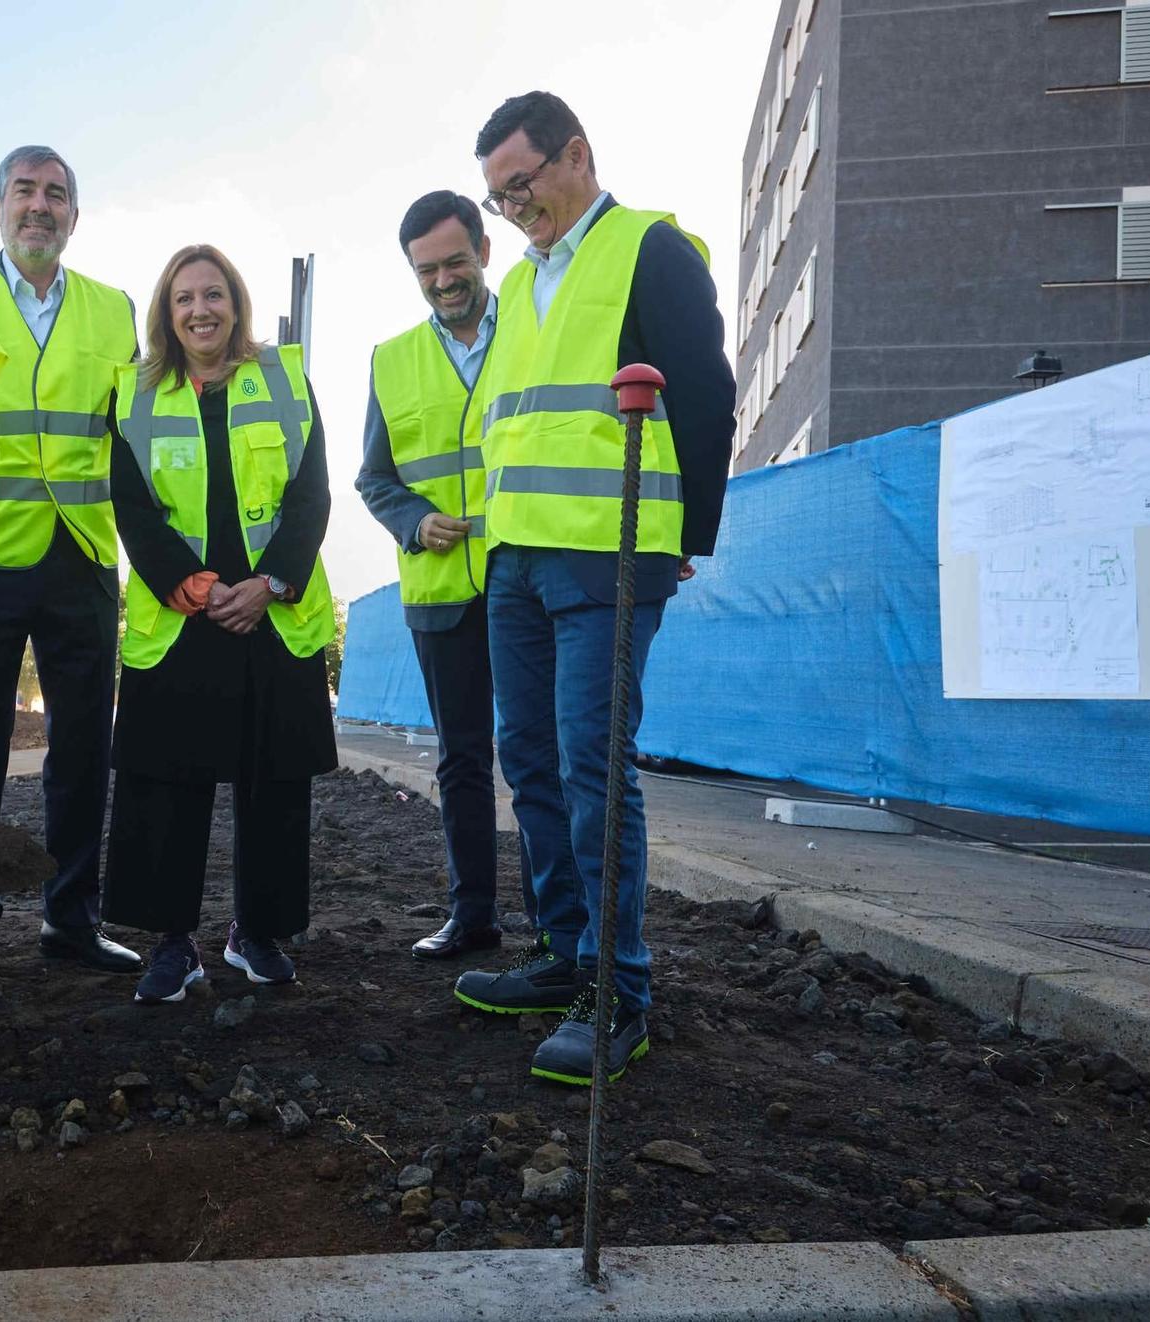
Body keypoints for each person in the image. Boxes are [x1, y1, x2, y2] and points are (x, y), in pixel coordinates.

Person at [455, 92, 733, 1084]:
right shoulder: (524, 284)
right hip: (518, 560)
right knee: (526, 756)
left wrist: (686, 534)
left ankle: (617, 991)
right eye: (496, 199)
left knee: (590, 765)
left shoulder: (647, 251)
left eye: (519, 186)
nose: (512, 210)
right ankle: (564, 952)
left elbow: (702, 392)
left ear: (575, 153)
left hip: (605, 557)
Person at [0, 147, 143, 985]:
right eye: (25, 191)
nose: (40, 207)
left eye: (56, 195)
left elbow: (131, 435)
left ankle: (72, 916)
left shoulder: (115, 309)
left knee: (85, 747)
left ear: (75, 217)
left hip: (82, 553)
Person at [103, 245, 336, 1004]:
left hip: (271, 610)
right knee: (166, 785)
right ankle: (174, 944)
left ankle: (255, 934)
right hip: (183, 617)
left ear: (235, 302)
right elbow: (132, 507)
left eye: (213, 295)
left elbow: (312, 494)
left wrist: (268, 584)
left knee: (274, 784)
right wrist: (198, 588)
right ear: (166, 315)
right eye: (183, 300)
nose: (199, 310)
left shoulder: (285, 379)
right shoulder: (135, 395)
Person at [356, 190, 520, 962]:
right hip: (440, 593)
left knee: (539, 752)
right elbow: (375, 479)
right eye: (428, 269)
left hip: (529, 575)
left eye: (455, 262)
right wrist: (414, 521)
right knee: (462, 759)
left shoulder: (532, 325)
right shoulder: (391, 361)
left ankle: (564, 925)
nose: (444, 280)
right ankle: (474, 915)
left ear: (485, 251)